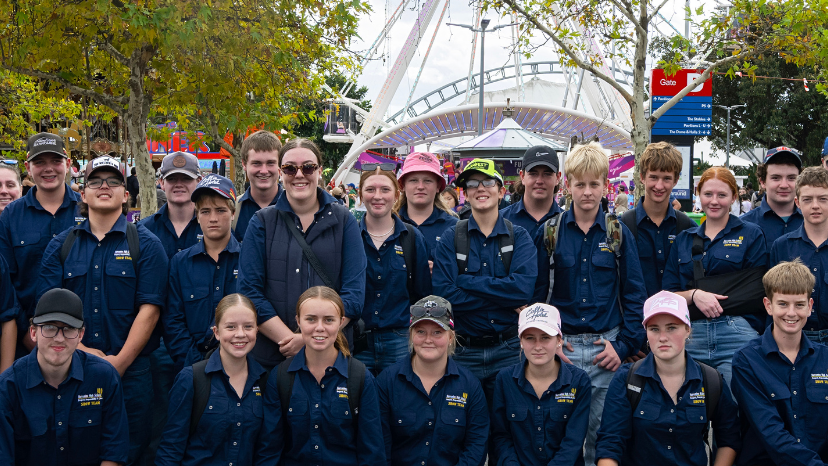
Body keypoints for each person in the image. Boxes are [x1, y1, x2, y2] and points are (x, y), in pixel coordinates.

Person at [38, 156, 168, 466]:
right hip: (71, 369)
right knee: (75, 449)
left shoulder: (147, 246)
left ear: (126, 195)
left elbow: (149, 311)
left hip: (133, 373)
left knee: (132, 451)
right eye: (95, 181)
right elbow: (46, 311)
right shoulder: (60, 246)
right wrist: (80, 351)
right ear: (82, 194)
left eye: (113, 181)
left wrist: (118, 364)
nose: (104, 187)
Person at [535, 141, 647, 466]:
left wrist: (624, 347)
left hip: (605, 352)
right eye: (580, 184)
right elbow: (537, 297)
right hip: (563, 351)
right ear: (567, 184)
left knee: (602, 439)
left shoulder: (618, 234)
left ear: (605, 185)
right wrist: (549, 343)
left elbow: (634, 295)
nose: (587, 192)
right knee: (557, 435)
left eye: (594, 184)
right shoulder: (549, 233)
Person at [239, 138, 366, 370]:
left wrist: (308, 340)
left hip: (331, 357)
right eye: (290, 168)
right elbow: (249, 292)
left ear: (319, 171)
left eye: (308, 167)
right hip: (274, 357)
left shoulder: (344, 220)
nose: (299, 174)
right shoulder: (261, 222)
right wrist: (290, 341)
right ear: (280, 172)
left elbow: (354, 294)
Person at [432, 158, 537, 403]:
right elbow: (445, 296)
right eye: (473, 183)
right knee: (462, 427)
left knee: (508, 425)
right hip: (463, 352)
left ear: (501, 192)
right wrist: (503, 298)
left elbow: (522, 291)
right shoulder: (451, 238)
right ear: (465, 195)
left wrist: (465, 281)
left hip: (509, 351)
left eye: (488, 182)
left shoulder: (519, 237)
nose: (481, 188)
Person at [595, 290, 741, 466]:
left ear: (687, 329)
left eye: (672, 328)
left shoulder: (711, 380)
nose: (663, 337)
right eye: (654, 329)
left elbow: (729, 439)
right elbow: (610, 443)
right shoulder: (627, 379)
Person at [663, 166, 768, 388]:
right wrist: (694, 295)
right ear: (698, 194)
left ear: (733, 197)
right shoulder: (684, 240)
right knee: (690, 410)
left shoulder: (751, 235)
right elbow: (668, 295)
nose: (714, 201)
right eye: (708, 194)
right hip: (692, 335)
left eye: (722, 195)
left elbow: (757, 291)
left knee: (737, 413)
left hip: (737, 333)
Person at [0, 288, 129, 466]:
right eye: (50, 327)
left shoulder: (104, 378)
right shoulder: (8, 386)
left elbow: (114, 453)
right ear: (33, 332)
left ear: (80, 335)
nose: (59, 338)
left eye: (68, 329)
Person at [260, 286, 385, 465]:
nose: (320, 328)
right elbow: (270, 449)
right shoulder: (281, 377)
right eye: (311, 319)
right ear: (298, 321)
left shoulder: (360, 378)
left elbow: (372, 452)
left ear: (341, 322)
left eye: (328, 320)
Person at [139, 151, 203, 465]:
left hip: (201, 344)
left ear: (198, 182)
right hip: (156, 346)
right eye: (173, 179)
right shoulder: (143, 231)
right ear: (161, 182)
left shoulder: (214, 227)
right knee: (158, 427)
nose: (179, 185)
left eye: (186, 179)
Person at [732, 260, 828, 465]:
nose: (791, 313)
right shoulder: (747, 360)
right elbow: (770, 432)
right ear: (768, 305)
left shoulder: (825, 359)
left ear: (810, 306)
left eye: (799, 304)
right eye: (783, 304)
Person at [155, 294, 268, 466]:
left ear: (256, 331)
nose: (240, 334)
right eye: (230, 327)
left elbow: (266, 450)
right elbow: (170, 449)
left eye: (248, 326)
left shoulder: (265, 381)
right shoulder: (191, 379)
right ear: (216, 332)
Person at [376, 295, 488, 466]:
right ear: (411, 335)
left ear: (451, 337)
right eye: (421, 332)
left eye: (437, 332)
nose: (428, 340)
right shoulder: (386, 382)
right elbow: (379, 446)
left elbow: (476, 446)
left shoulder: (470, 386)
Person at [0, 133, 82, 357]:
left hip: (82, 337)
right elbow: (6, 283)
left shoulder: (86, 210)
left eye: (55, 161)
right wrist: (27, 333)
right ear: (28, 167)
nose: (49, 169)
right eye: (39, 162)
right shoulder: (10, 217)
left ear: (67, 164)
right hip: (25, 339)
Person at [491, 303, 592, 466]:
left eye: (545, 337)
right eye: (530, 338)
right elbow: (501, 436)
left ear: (559, 339)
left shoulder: (579, 380)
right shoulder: (505, 379)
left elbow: (573, 442)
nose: (538, 346)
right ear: (521, 341)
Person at [354, 166, 431, 374]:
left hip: (399, 340)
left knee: (398, 401)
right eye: (370, 189)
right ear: (360, 194)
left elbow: (422, 294)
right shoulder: (349, 237)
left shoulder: (412, 238)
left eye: (385, 190)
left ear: (397, 195)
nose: (377, 196)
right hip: (357, 340)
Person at [165, 174, 240, 369]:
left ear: (233, 213)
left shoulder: (249, 259)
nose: (213, 218)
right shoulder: (180, 264)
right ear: (197, 216)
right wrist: (197, 365)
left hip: (241, 366)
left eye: (221, 210)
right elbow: (173, 321)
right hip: (191, 368)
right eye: (205, 211)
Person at [619, 142, 695, 298]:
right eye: (653, 177)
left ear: (676, 180)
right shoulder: (622, 226)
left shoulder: (687, 227)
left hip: (677, 317)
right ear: (642, 177)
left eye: (667, 178)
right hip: (635, 317)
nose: (659, 186)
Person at [770, 167, 828, 343]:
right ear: (797, 202)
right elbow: (772, 298)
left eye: (823, 199)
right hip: (794, 339)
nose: (815, 205)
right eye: (807, 199)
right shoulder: (782, 246)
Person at [395, 152, 458, 260]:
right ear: (403, 185)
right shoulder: (390, 223)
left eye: (427, 181)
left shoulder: (454, 227)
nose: (420, 186)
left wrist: (442, 270)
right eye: (413, 180)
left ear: (438, 186)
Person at [740, 147, 803, 245]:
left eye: (791, 178)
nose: (784, 185)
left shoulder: (816, 223)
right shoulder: (743, 225)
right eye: (776, 178)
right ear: (762, 182)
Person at [500, 145, 563, 240]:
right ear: (522, 176)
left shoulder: (568, 224)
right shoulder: (501, 220)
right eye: (533, 174)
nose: (540, 181)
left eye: (547, 174)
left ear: (557, 178)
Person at [234, 130, 283, 241]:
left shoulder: (295, 207)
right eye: (256, 163)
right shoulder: (232, 211)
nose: (264, 171)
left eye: (270, 163)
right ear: (244, 164)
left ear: (280, 164)